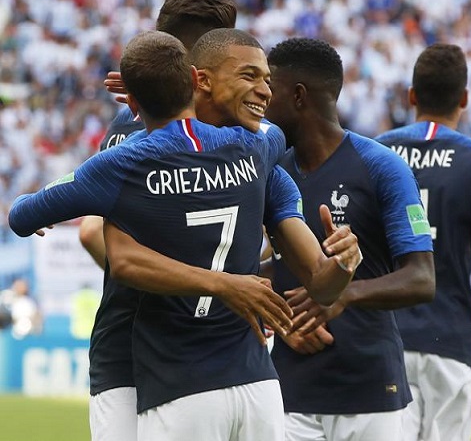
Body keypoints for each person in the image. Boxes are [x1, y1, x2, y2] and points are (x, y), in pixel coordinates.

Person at [9, 30, 360, 441]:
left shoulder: (123, 161)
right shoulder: (259, 149)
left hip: (175, 383)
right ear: (198, 79)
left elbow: (25, 216)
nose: (263, 91)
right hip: (255, 383)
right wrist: (342, 266)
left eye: (265, 79)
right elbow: (274, 133)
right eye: (250, 76)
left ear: (134, 103)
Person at [74, 0, 240, 441]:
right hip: (212, 349)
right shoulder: (231, 132)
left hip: (122, 345)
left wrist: (143, 274)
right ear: (200, 64)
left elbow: (91, 231)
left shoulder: (128, 120)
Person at [263, 37, 436, 441]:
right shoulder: (272, 170)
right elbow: (279, 267)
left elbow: (422, 278)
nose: (262, 100)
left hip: (369, 389)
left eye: (270, 90)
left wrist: (345, 293)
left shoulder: (382, 167)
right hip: (290, 390)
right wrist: (277, 314)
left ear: (298, 96)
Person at [375, 43, 471, 440]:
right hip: (452, 337)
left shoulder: (377, 150)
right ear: (465, 99)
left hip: (387, 337)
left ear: (412, 96)